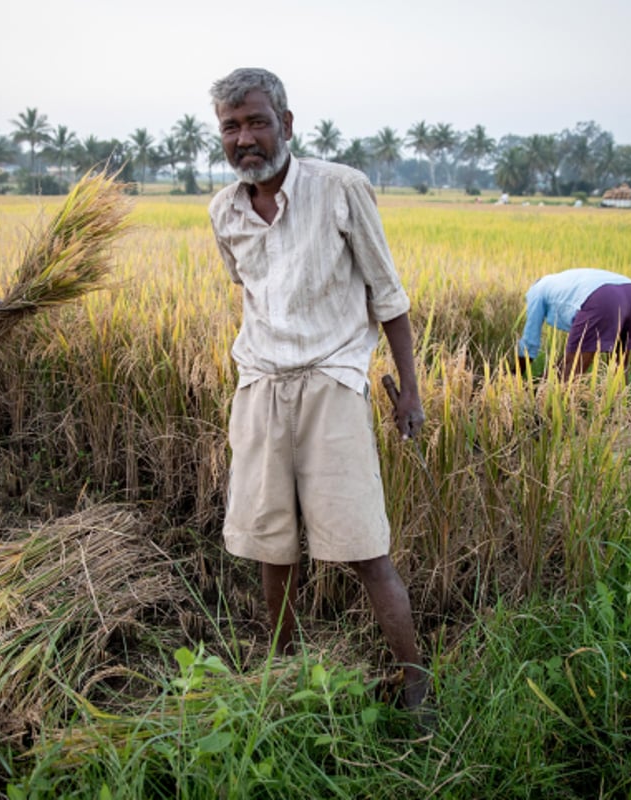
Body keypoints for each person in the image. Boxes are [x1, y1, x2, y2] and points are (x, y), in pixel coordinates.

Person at [207, 68, 429, 710]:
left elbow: (388, 296)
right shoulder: (223, 211)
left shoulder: (341, 189)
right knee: (269, 544)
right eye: (231, 126)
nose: (244, 137)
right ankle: (282, 671)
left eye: (256, 121)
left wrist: (409, 390)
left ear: (286, 124)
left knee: (365, 546)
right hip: (259, 387)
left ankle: (417, 686)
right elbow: (249, 291)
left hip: (332, 383)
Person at [517, 267, 631, 379]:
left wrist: (515, 374)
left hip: (602, 297)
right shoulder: (562, 280)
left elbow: (530, 342)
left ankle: (552, 405)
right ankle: (622, 405)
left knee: (571, 370)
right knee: (619, 366)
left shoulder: (536, 291)